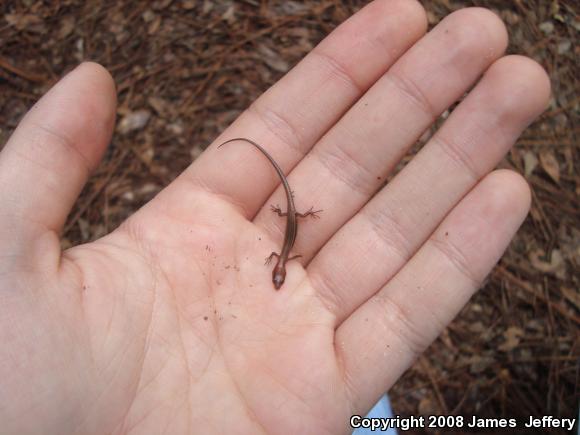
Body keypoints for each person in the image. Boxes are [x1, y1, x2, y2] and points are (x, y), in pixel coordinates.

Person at [0, 0, 549, 433]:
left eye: (278, 275)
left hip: (292, 214)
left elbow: (289, 243)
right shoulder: (287, 251)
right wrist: (292, 222)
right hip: (290, 217)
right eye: (279, 274)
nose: (278, 272)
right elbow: (289, 245)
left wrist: (294, 216)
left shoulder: (287, 250)